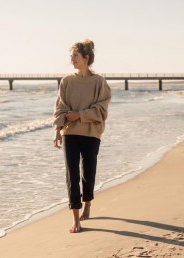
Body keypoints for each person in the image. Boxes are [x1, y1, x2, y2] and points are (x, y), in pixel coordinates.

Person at [52, 39, 111, 233]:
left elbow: (102, 109)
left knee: (88, 172)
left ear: (86, 58)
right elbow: (60, 107)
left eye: (75, 56)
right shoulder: (66, 81)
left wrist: (80, 114)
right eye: (71, 56)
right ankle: (75, 218)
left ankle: (88, 204)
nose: (71, 59)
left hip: (91, 133)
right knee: (72, 174)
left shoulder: (99, 82)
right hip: (70, 133)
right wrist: (57, 132)